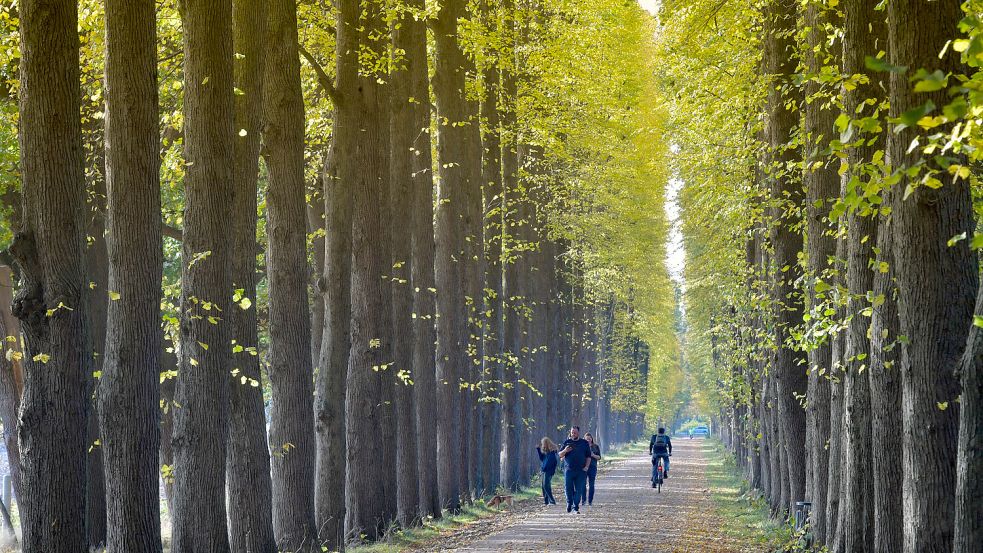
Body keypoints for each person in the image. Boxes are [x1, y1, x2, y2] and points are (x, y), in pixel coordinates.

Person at [558, 425, 591, 513]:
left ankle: (575, 507)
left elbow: (588, 456)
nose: (573, 434)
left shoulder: (584, 443)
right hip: (568, 470)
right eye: (572, 432)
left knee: (579, 489)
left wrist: (586, 467)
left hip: (581, 470)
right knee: (568, 488)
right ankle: (569, 503)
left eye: (575, 432)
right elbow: (560, 455)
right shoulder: (566, 442)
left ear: (578, 433)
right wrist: (565, 450)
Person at [536, 437, 559, 506]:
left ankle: (552, 501)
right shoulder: (546, 452)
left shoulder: (552, 452)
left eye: (543, 443)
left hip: (548, 471)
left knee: (546, 485)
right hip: (544, 470)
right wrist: (538, 450)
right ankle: (546, 501)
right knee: (543, 486)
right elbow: (542, 459)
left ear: (546, 443)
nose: (542, 445)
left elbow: (553, 462)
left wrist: (546, 468)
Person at [584, 432, 602, 506]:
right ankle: (583, 500)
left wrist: (593, 455)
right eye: (587, 439)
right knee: (583, 484)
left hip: (593, 467)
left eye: (589, 438)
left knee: (591, 484)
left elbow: (599, 457)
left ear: (592, 439)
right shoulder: (582, 446)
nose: (588, 440)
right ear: (584, 439)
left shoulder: (595, 446)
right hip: (584, 467)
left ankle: (590, 501)